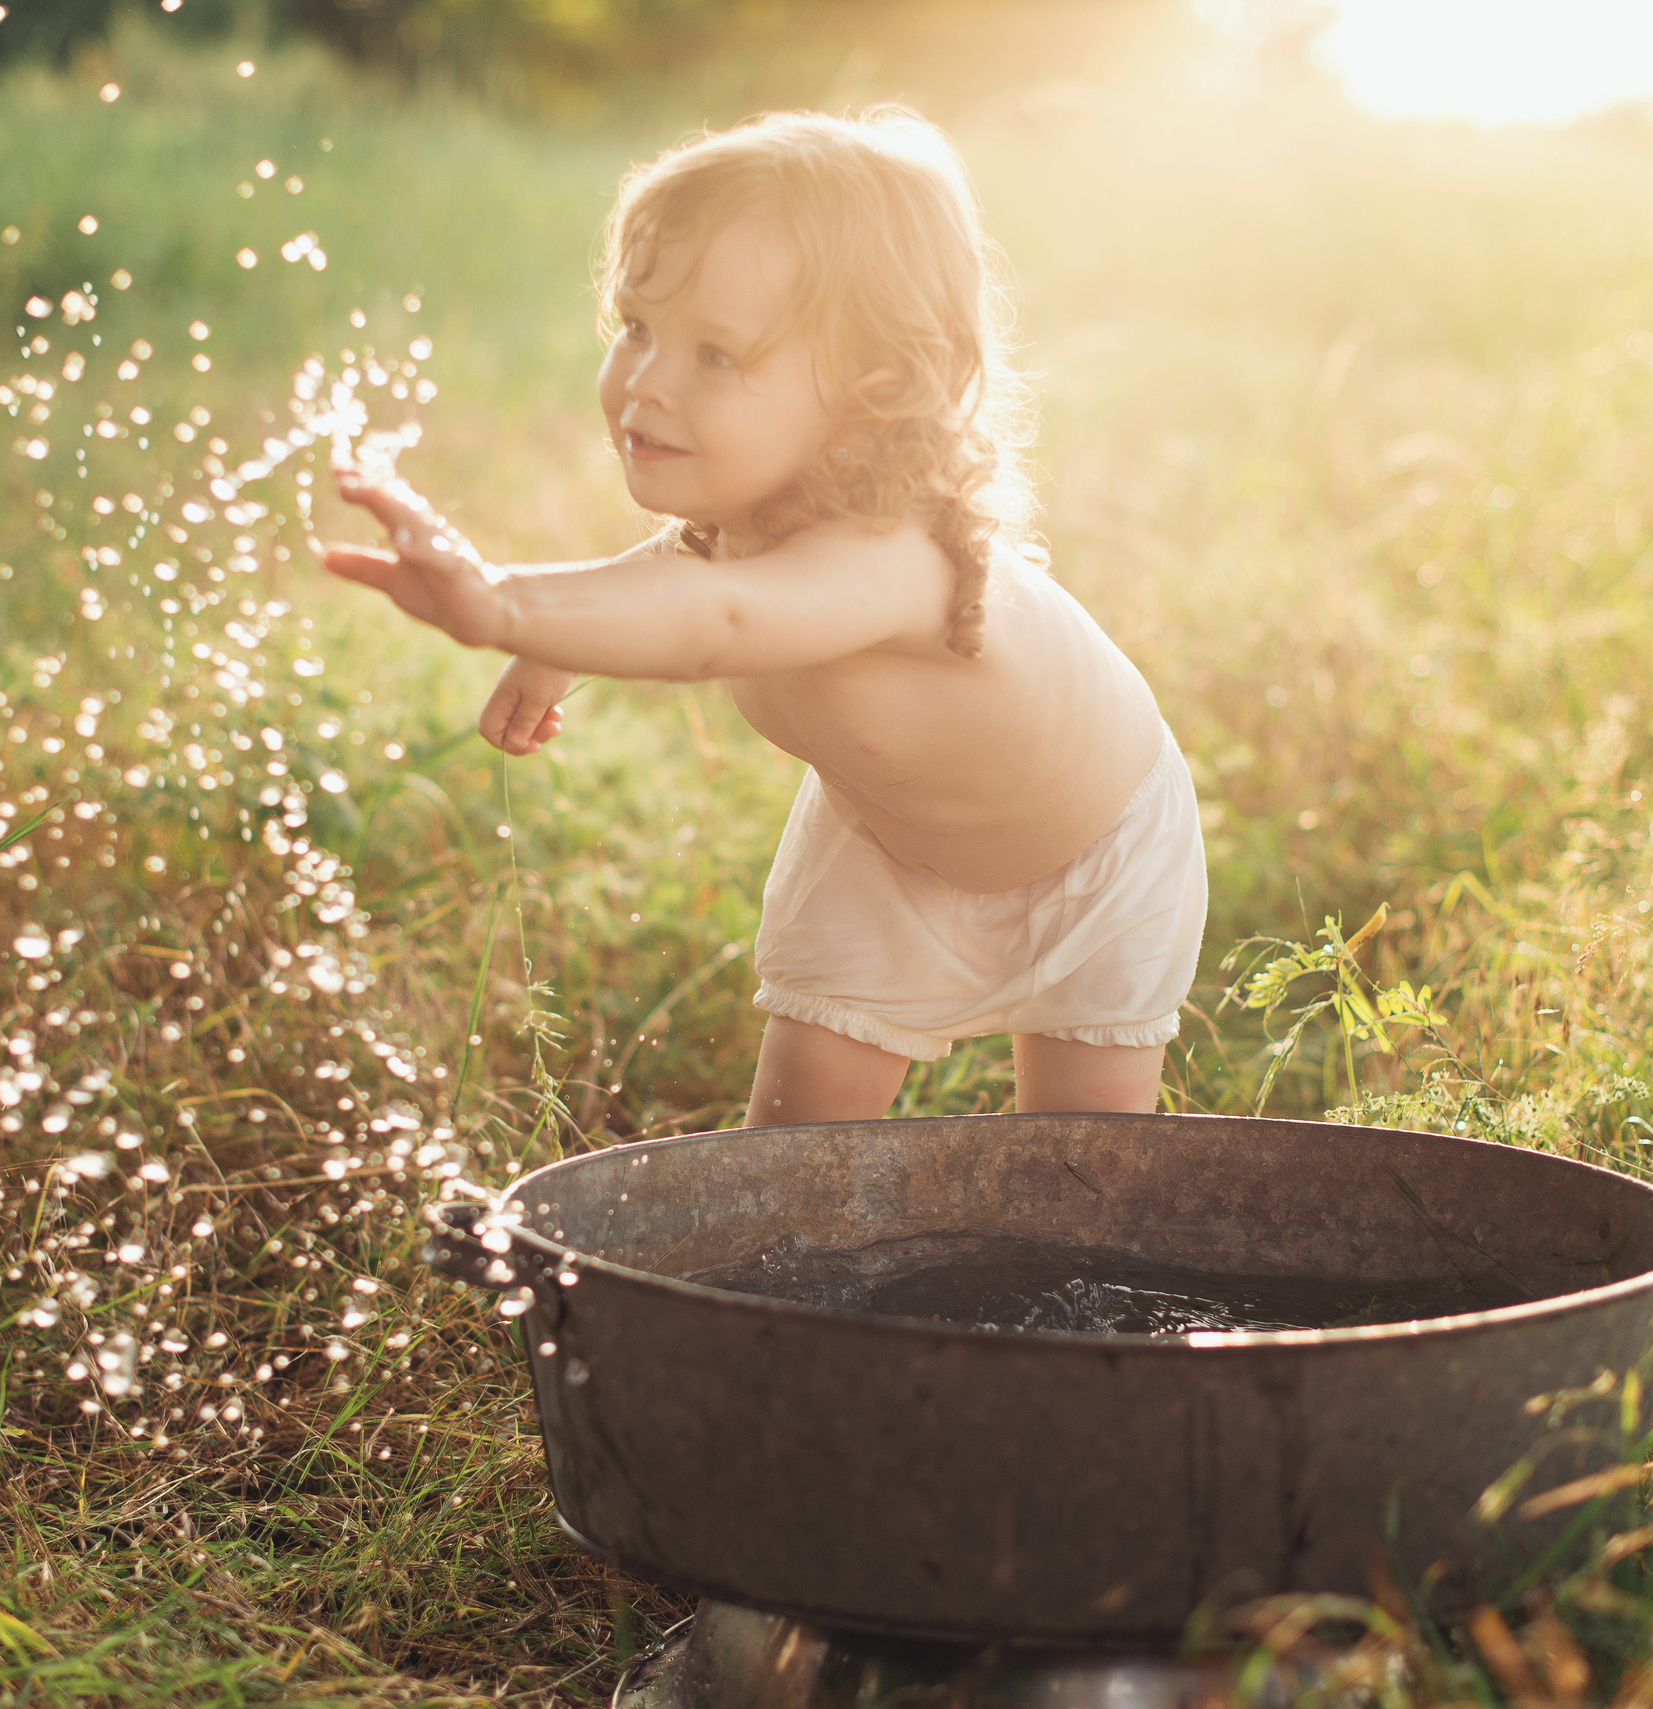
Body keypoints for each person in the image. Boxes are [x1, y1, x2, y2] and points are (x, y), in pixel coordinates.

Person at [319, 107, 1207, 1126]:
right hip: (887, 855)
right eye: (639, 330)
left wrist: (504, 605)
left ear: (873, 390)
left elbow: (721, 619)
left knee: (1081, 1178)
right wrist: (554, 643)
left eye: (719, 356)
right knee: (794, 1159)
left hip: (1099, 862)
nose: (645, 382)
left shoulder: (897, 558)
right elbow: (678, 570)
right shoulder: (738, 524)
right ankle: (793, 1279)